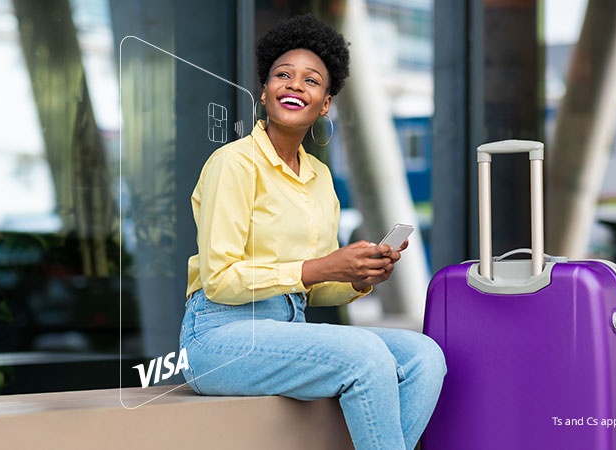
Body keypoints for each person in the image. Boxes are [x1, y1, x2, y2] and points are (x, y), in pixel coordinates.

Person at [179, 14, 446, 450]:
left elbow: (316, 287)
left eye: (311, 80)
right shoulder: (234, 163)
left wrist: (357, 278)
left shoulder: (320, 177)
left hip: (289, 328)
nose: (294, 85)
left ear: (325, 103)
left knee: (424, 356)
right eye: (282, 75)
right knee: (365, 356)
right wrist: (323, 265)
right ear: (264, 92)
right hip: (218, 336)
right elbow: (221, 280)